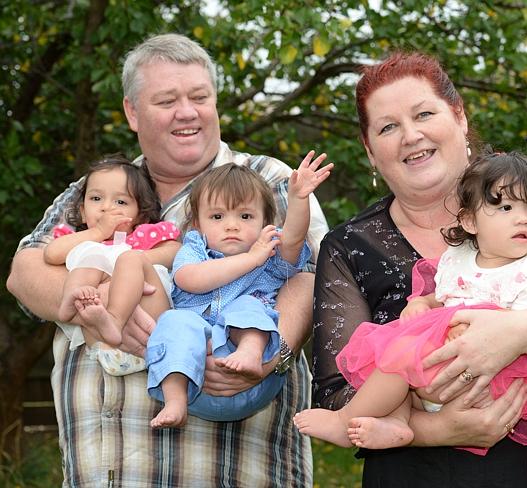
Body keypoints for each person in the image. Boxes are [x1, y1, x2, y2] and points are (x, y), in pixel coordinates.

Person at [7, 33, 328, 487]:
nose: (187, 112)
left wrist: (271, 354)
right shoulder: (99, 191)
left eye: (200, 97)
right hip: (100, 473)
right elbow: (23, 272)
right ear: (132, 113)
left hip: (231, 472)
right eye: (167, 100)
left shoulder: (269, 180)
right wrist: (105, 297)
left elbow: (318, 278)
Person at [310, 52, 527, 487]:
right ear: (371, 152)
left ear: (460, 117)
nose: (411, 135)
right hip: (418, 475)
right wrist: (437, 430)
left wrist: (516, 334)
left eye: (424, 113)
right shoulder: (349, 247)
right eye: (388, 127)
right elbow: (336, 398)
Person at [296, 152, 527, 488]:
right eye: (506, 209)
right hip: (454, 365)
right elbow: (446, 296)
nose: (523, 219)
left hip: (507, 372)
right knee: (399, 354)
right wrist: (422, 303)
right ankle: (396, 422)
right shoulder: (459, 260)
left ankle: (348, 421)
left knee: (404, 355)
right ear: (469, 222)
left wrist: (472, 330)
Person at [149, 156, 331, 428]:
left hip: (253, 379)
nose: (231, 225)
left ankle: (249, 352)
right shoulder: (194, 249)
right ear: (196, 224)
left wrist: (299, 199)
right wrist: (249, 260)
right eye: (217, 216)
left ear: (266, 223)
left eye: (245, 216)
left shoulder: (270, 255)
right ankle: (175, 402)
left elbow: (293, 238)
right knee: (174, 321)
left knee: (250, 305)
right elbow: (189, 279)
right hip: (194, 374)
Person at [43, 155, 180, 376]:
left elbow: (174, 251)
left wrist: (127, 260)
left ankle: (114, 320)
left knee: (125, 259)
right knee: (90, 254)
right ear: (82, 211)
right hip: (101, 347)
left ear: (140, 216)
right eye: (96, 199)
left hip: (150, 329)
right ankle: (71, 302)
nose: (106, 208)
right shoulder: (83, 240)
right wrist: (97, 234)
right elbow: (51, 253)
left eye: (121, 202)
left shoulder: (143, 236)